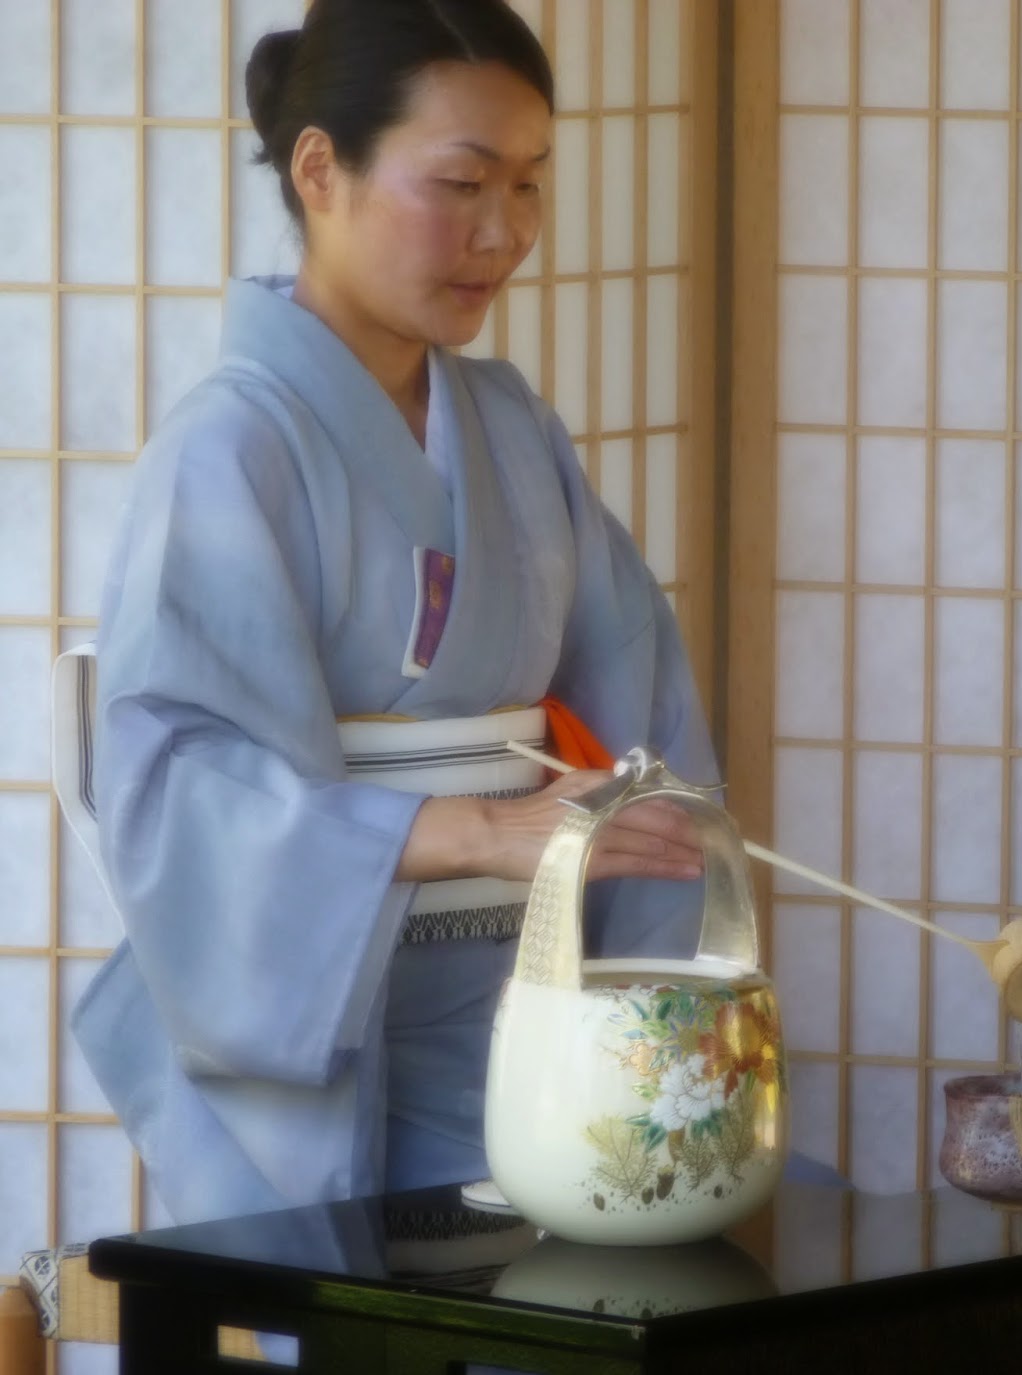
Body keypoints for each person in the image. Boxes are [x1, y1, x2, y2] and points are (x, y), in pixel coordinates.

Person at [74, 0, 717, 1226]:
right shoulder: (229, 450)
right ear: (320, 171)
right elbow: (179, 790)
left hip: (543, 1031)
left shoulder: (512, 429)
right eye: (461, 183)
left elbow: (649, 728)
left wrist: (642, 1038)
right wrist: (475, 830)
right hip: (323, 1052)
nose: (503, 232)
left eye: (527, 184)